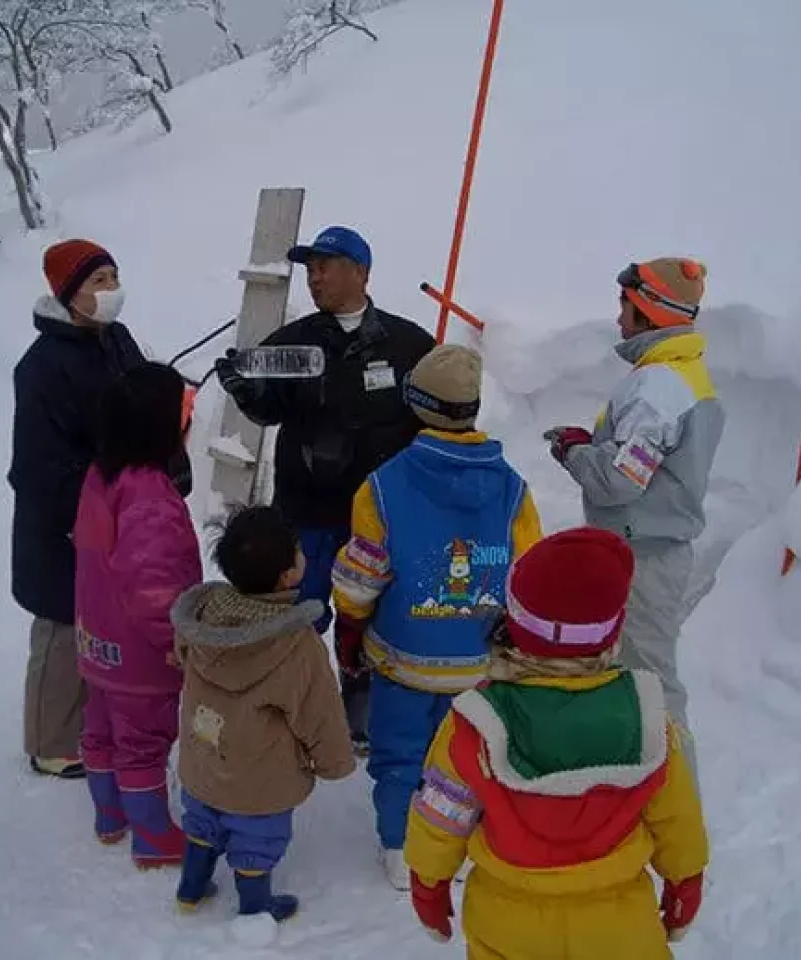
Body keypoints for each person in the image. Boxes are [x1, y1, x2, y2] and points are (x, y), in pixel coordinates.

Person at [403, 528, 709, 959]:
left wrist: (428, 882)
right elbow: (677, 815)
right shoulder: (645, 718)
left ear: (514, 619)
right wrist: (685, 880)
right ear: (612, 631)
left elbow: (443, 812)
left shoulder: (475, 724)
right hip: (618, 927)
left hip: (507, 924)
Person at [214, 226, 435, 753]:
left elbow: (435, 416)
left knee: (370, 619)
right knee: (300, 615)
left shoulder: (409, 343)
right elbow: (266, 404)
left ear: (361, 272)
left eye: (325, 266)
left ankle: (359, 713)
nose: (314, 278)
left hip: (379, 517)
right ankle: (292, 708)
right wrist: (246, 391)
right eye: (309, 269)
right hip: (307, 510)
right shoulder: (294, 342)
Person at [330, 345, 542, 890]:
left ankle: (402, 853)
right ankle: (460, 842)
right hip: (476, 663)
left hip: (404, 660)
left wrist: (350, 626)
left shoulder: (382, 487)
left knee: (401, 755)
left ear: (415, 406)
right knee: (469, 757)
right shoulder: (513, 489)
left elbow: (360, 579)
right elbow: (527, 573)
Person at [8, 240, 192, 780]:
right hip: (65, 516)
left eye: (113, 276)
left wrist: (167, 466)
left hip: (123, 505)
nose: (110, 290)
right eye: (98, 281)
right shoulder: (41, 368)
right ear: (68, 294)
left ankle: (98, 722)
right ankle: (51, 741)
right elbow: (36, 465)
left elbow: (146, 415)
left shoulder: (117, 339)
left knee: (105, 618)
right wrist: (83, 513)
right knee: (63, 623)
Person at [544, 258, 723, 780]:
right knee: (630, 675)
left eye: (625, 305)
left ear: (648, 311)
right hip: (645, 549)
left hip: (643, 556)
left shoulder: (659, 386)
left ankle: (673, 799)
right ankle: (634, 779)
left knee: (650, 681)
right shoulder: (680, 373)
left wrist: (574, 453)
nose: (618, 318)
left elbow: (621, 479)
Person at [171, 505, 355, 921]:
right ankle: (255, 909)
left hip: (204, 759)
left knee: (201, 823)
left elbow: (181, 654)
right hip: (259, 776)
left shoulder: (203, 619)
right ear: (289, 575)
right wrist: (333, 762)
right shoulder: (295, 643)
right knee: (257, 839)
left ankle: (191, 888)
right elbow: (318, 710)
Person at [73, 361, 202, 868]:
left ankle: (110, 815)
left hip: (97, 636)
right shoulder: (150, 496)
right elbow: (154, 586)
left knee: (102, 727)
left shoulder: (101, 475)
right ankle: (152, 834)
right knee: (143, 739)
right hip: (140, 652)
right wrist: (176, 642)